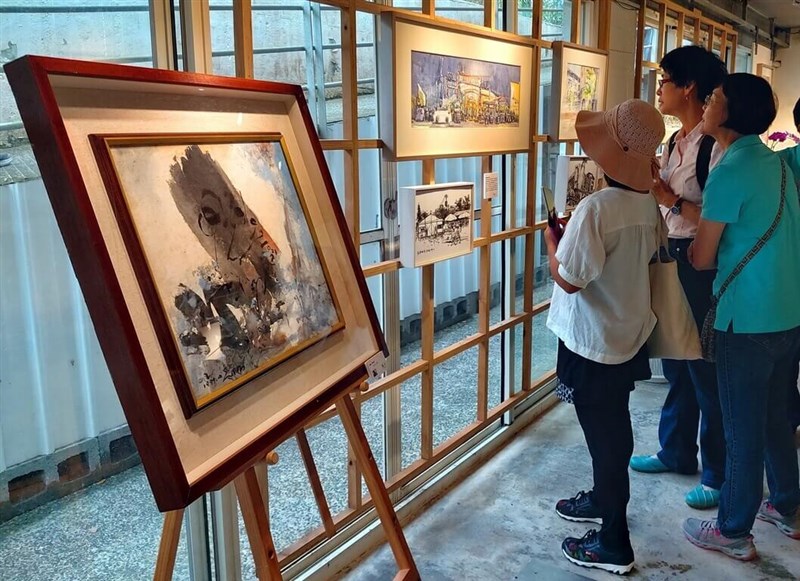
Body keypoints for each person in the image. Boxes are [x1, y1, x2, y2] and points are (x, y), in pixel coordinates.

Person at [683, 73, 800, 560]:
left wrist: (689, 250)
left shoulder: (731, 168)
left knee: (742, 427)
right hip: (787, 312)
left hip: (744, 320)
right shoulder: (774, 161)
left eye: (714, 98)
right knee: (777, 417)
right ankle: (788, 508)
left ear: (729, 113)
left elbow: (704, 257)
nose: (707, 102)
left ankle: (732, 528)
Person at [545, 99, 664, 574]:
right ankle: (601, 497)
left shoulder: (596, 208)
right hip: (628, 333)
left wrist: (554, 245)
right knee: (611, 425)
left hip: (591, 339)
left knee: (606, 436)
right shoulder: (645, 203)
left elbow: (570, 279)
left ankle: (613, 542)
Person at [629, 45, 728, 511]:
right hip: (671, 253)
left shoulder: (714, 147)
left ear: (688, 87)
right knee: (676, 361)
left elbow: (718, 218)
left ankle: (717, 473)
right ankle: (675, 450)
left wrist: (667, 197)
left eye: (665, 80)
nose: (659, 89)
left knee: (703, 366)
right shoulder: (675, 142)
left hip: (699, 262)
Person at [778, 97, 800, 434]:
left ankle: (788, 421)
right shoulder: (780, 163)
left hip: (783, 274)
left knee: (784, 362)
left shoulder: (779, 164)